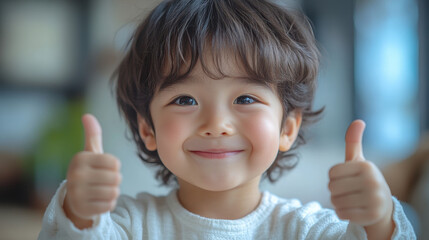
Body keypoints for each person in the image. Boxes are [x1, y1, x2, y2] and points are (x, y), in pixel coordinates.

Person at [38, 0, 415, 239]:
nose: (216, 124)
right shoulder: (127, 226)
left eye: (246, 98)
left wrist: (379, 221)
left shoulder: (307, 230)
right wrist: (80, 213)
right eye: (185, 99)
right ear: (146, 129)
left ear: (288, 127)